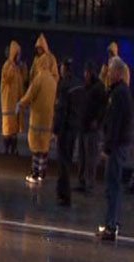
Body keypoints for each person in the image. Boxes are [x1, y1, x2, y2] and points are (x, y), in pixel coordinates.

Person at [97, 57, 133, 241]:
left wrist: (107, 148)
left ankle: (111, 225)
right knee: (114, 184)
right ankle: (113, 222)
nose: (108, 74)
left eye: (111, 71)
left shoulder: (119, 94)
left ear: (118, 73)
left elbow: (115, 124)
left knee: (112, 184)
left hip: (117, 146)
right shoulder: (121, 91)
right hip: (122, 144)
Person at [19, 54, 57, 184]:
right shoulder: (53, 80)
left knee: (35, 148)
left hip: (37, 119)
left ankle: (35, 173)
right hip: (48, 121)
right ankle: (42, 173)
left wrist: (21, 104)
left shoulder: (39, 79)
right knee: (44, 148)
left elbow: (29, 95)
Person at [53, 58, 84, 206]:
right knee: (69, 160)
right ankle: (65, 194)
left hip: (65, 130)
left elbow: (61, 109)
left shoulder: (63, 85)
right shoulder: (79, 84)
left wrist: (56, 129)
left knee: (62, 162)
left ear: (64, 69)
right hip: (75, 128)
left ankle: (63, 195)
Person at [76, 61, 107, 194]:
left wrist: (97, 121)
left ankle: (90, 184)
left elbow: (103, 107)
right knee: (82, 157)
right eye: (85, 72)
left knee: (90, 157)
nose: (86, 75)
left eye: (88, 72)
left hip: (92, 129)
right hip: (83, 127)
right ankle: (82, 181)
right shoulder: (86, 86)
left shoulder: (99, 87)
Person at [0, 40, 28, 155]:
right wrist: (14, 66)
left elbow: (24, 80)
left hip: (15, 104)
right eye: (18, 54)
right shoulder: (7, 66)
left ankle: (13, 149)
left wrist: (23, 68)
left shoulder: (17, 68)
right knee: (8, 128)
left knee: (14, 129)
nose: (19, 57)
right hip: (8, 104)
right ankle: (7, 149)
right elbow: (7, 78)